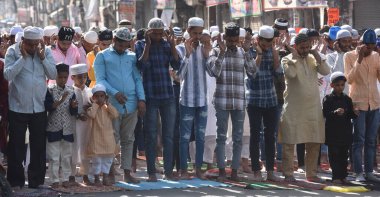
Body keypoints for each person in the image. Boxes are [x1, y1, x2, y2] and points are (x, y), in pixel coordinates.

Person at [4, 26, 57, 189]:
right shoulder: (13, 51)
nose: (34, 48)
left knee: (38, 147)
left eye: (36, 44)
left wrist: (42, 58)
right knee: (16, 146)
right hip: (18, 106)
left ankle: (36, 181)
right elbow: (8, 75)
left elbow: (53, 75)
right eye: (30, 45)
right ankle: (16, 181)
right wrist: (23, 58)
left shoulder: (45, 52)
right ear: (23, 42)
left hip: (39, 107)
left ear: (41, 42)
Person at [94, 27, 146, 184]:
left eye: (126, 46)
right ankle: (108, 172)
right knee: (111, 139)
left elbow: (137, 79)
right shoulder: (102, 56)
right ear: (114, 40)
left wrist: (142, 99)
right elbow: (100, 79)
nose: (123, 49)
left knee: (129, 139)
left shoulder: (131, 56)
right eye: (120, 45)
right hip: (112, 104)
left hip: (131, 104)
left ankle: (127, 172)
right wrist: (114, 92)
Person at [207, 22, 256, 181]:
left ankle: (234, 172)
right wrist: (222, 53)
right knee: (221, 137)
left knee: (238, 138)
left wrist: (248, 51)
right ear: (225, 37)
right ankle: (222, 171)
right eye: (230, 40)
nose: (233, 43)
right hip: (222, 101)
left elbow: (253, 72)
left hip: (239, 102)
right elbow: (214, 72)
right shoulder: (215, 51)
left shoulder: (243, 52)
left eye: (236, 40)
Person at [280, 33, 330, 183]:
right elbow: (292, 74)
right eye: (303, 47)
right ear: (295, 47)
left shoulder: (312, 58)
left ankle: (311, 174)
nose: (306, 50)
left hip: (313, 108)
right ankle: (288, 174)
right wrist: (295, 57)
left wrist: (315, 52)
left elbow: (326, 71)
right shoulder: (286, 59)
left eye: (308, 47)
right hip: (293, 109)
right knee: (289, 142)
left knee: (314, 142)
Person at [134, 18, 180, 181]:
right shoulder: (140, 45)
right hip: (150, 95)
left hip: (167, 95)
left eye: (161, 33)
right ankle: (152, 172)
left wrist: (173, 45)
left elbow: (176, 64)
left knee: (168, 135)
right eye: (156, 33)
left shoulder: (167, 44)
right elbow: (142, 66)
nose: (159, 36)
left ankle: (168, 172)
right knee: (151, 135)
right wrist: (147, 44)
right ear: (149, 32)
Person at [176, 17, 211, 180]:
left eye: (200, 33)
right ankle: (183, 170)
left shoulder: (204, 49)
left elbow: (213, 72)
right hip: (187, 100)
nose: (197, 36)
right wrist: (188, 55)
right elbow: (178, 76)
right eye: (194, 33)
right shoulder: (180, 49)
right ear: (188, 31)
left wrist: (208, 48)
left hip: (202, 100)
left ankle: (198, 169)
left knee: (200, 137)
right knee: (184, 137)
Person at [344, 29, 380, 182]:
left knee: (371, 140)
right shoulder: (349, 56)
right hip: (358, 104)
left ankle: (369, 172)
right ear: (360, 44)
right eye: (367, 46)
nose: (369, 49)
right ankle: (358, 172)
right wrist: (359, 59)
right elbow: (350, 79)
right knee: (359, 140)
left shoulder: (376, 56)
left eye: (372, 47)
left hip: (375, 103)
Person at [246, 25, 281, 181]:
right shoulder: (249, 52)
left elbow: (278, 72)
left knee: (270, 136)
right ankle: (256, 171)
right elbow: (252, 74)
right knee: (255, 136)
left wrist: (273, 52)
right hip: (254, 99)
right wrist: (259, 54)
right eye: (265, 43)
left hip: (271, 99)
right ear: (259, 40)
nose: (267, 45)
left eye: (270, 42)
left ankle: (270, 172)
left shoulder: (272, 51)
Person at [45, 63, 77, 188]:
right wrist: (61, 100)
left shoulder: (71, 91)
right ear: (55, 76)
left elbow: (73, 111)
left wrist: (74, 107)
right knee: (54, 157)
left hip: (67, 129)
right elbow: (49, 107)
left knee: (66, 156)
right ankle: (54, 180)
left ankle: (65, 178)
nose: (63, 80)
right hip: (53, 128)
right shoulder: (50, 90)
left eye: (65, 77)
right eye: (60, 77)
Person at [323, 72, 356, 184]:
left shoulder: (347, 99)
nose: (340, 87)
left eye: (342, 85)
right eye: (337, 85)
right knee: (334, 155)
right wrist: (335, 112)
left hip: (345, 132)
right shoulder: (328, 99)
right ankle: (336, 176)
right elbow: (325, 114)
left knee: (343, 155)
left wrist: (355, 113)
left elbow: (351, 114)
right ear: (332, 85)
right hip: (333, 133)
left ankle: (343, 176)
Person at [87, 84, 119, 186]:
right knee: (97, 160)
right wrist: (95, 105)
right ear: (93, 98)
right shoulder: (92, 108)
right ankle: (96, 178)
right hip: (96, 139)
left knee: (108, 160)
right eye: (97, 96)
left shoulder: (108, 108)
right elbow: (91, 115)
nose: (100, 98)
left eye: (102, 96)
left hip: (108, 139)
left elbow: (115, 115)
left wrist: (108, 104)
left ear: (105, 97)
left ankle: (105, 177)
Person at [69, 63, 92, 185]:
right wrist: (78, 114)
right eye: (79, 77)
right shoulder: (69, 91)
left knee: (85, 149)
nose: (82, 79)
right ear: (72, 77)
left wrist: (90, 107)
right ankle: (71, 176)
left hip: (87, 125)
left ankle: (85, 175)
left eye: (84, 77)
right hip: (74, 125)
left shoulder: (90, 91)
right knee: (73, 148)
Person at [326, 29, 352, 95]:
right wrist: (339, 54)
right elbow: (336, 73)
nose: (347, 44)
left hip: (353, 94)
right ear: (337, 42)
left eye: (349, 41)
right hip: (338, 95)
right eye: (344, 41)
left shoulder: (354, 55)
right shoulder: (330, 56)